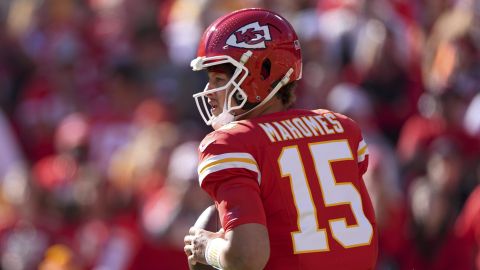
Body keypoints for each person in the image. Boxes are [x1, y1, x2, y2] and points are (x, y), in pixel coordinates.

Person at [183, 8, 378, 270]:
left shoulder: (230, 144)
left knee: (208, 232)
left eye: (219, 78)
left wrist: (206, 248)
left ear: (261, 73)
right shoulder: (342, 128)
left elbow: (247, 257)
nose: (210, 92)